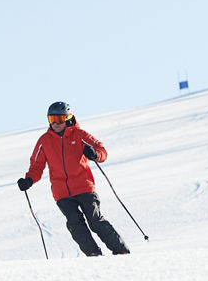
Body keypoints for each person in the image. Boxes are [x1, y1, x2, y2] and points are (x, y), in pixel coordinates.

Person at [17, 102, 129, 257]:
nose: (56, 123)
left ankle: (121, 250)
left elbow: (101, 150)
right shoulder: (44, 141)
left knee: (95, 220)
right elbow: (37, 165)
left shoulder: (80, 135)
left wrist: (94, 154)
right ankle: (93, 254)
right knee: (75, 224)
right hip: (62, 193)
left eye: (59, 118)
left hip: (84, 187)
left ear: (68, 118)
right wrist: (29, 180)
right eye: (52, 119)